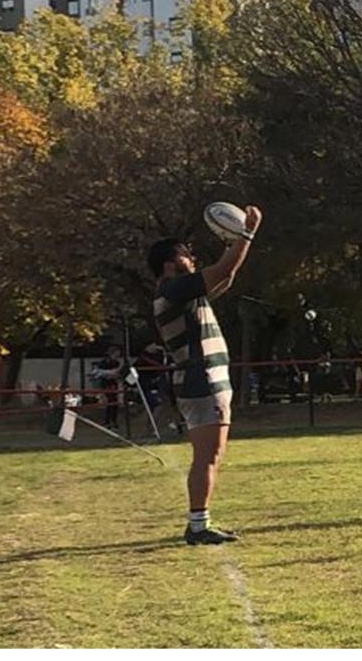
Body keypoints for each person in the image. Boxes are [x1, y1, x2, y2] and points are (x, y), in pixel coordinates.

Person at [147, 203, 261, 545]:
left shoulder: (183, 293)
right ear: (170, 265)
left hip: (204, 379)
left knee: (211, 455)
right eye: (185, 256)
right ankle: (198, 525)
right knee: (208, 456)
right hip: (202, 379)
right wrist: (246, 233)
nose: (192, 260)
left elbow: (226, 276)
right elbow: (222, 269)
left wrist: (235, 242)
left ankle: (199, 522)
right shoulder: (173, 288)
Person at [90, 344, 126, 430]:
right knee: (110, 402)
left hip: (114, 383)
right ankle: (108, 421)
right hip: (106, 383)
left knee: (115, 402)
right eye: (116, 353)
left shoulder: (116, 363)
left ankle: (113, 421)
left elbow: (117, 374)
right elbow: (98, 373)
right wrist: (110, 373)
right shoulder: (104, 362)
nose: (118, 355)